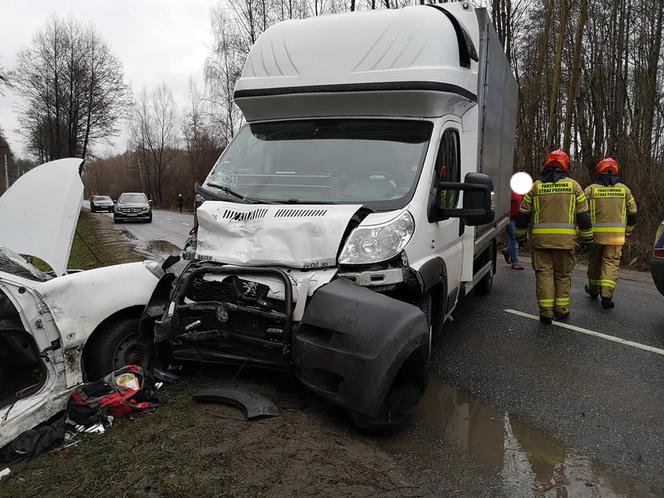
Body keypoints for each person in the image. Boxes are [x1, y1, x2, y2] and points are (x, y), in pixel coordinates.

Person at [515, 150, 593, 324]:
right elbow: (584, 217)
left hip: (541, 243)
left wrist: (520, 236)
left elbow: (522, 215)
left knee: (544, 274)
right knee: (563, 275)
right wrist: (588, 239)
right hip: (565, 243)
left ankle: (546, 312)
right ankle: (562, 309)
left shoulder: (536, 186)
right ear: (566, 165)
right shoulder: (574, 187)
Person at [583, 158, 637, 309]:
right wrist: (628, 230)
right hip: (616, 237)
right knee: (611, 263)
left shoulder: (590, 190)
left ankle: (593, 290)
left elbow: (581, 213)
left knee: (594, 262)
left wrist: (582, 233)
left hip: (594, 237)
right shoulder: (624, 190)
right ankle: (606, 296)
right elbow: (633, 213)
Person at [502, 190, 525, 270]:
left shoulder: (523, 192)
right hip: (510, 219)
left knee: (515, 240)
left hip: (518, 219)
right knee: (514, 241)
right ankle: (515, 262)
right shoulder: (511, 191)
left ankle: (507, 251)